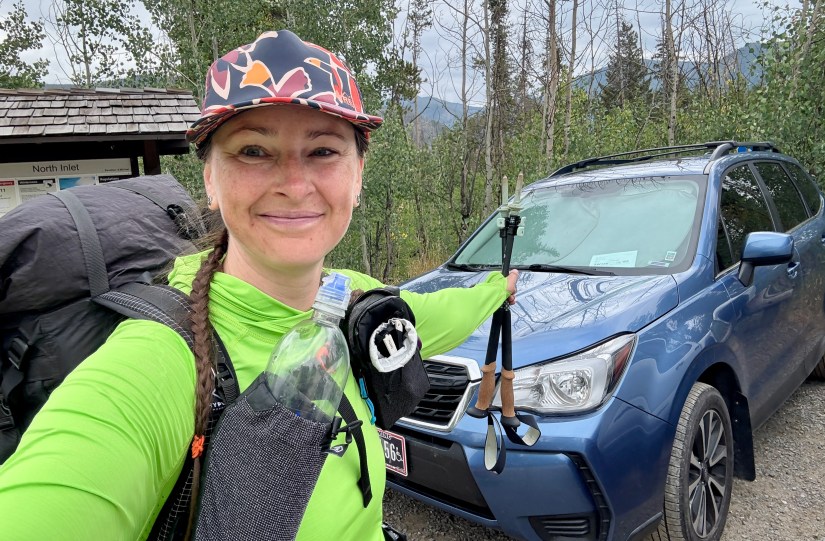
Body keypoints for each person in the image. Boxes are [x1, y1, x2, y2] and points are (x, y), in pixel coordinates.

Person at [0, 30, 517, 540]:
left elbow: (434, 314)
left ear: (359, 175)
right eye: (253, 151)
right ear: (209, 180)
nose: (294, 184)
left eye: (322, 151)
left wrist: (497, 289)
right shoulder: (159, 361)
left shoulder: (351, 296)